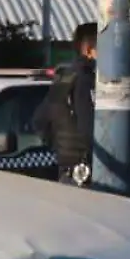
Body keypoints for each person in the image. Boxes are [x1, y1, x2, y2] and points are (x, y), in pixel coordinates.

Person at [34, 22, 96, 186]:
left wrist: (61, 148)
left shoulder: (64, 78)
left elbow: (40, 121)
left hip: (66, 171)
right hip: (88, 173)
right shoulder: (87, 80)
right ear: (89, 51)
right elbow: (88, 128)